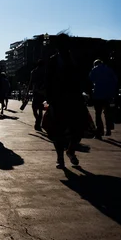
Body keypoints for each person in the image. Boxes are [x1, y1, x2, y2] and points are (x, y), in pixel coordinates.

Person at [45, 33, 86, 168]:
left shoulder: (76, 59)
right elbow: (48, 81)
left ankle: (70, 150)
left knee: (79, 128)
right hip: (58, 99)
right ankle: (60, 157)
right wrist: (50, 98)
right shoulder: (53, 61)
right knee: (57, 130)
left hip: (74, 98)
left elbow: (82, 77)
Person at [89, 59, 117, 139]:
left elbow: (90, 79)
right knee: (107, 112)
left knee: (98, 114)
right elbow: (115, 80)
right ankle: (108, 129)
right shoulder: (109, 69)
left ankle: (99, 131)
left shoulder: (94, 69)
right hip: (108, 94)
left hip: (98, 94)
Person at [28, 59, 46, 130]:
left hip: (36, 93)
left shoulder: (33, 72)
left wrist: (27, 93)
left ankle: (38, 121)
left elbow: (30, 82)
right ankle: (38, 122)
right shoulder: (45, 72)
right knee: (41, 109)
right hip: (43, 93)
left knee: (34, 108)